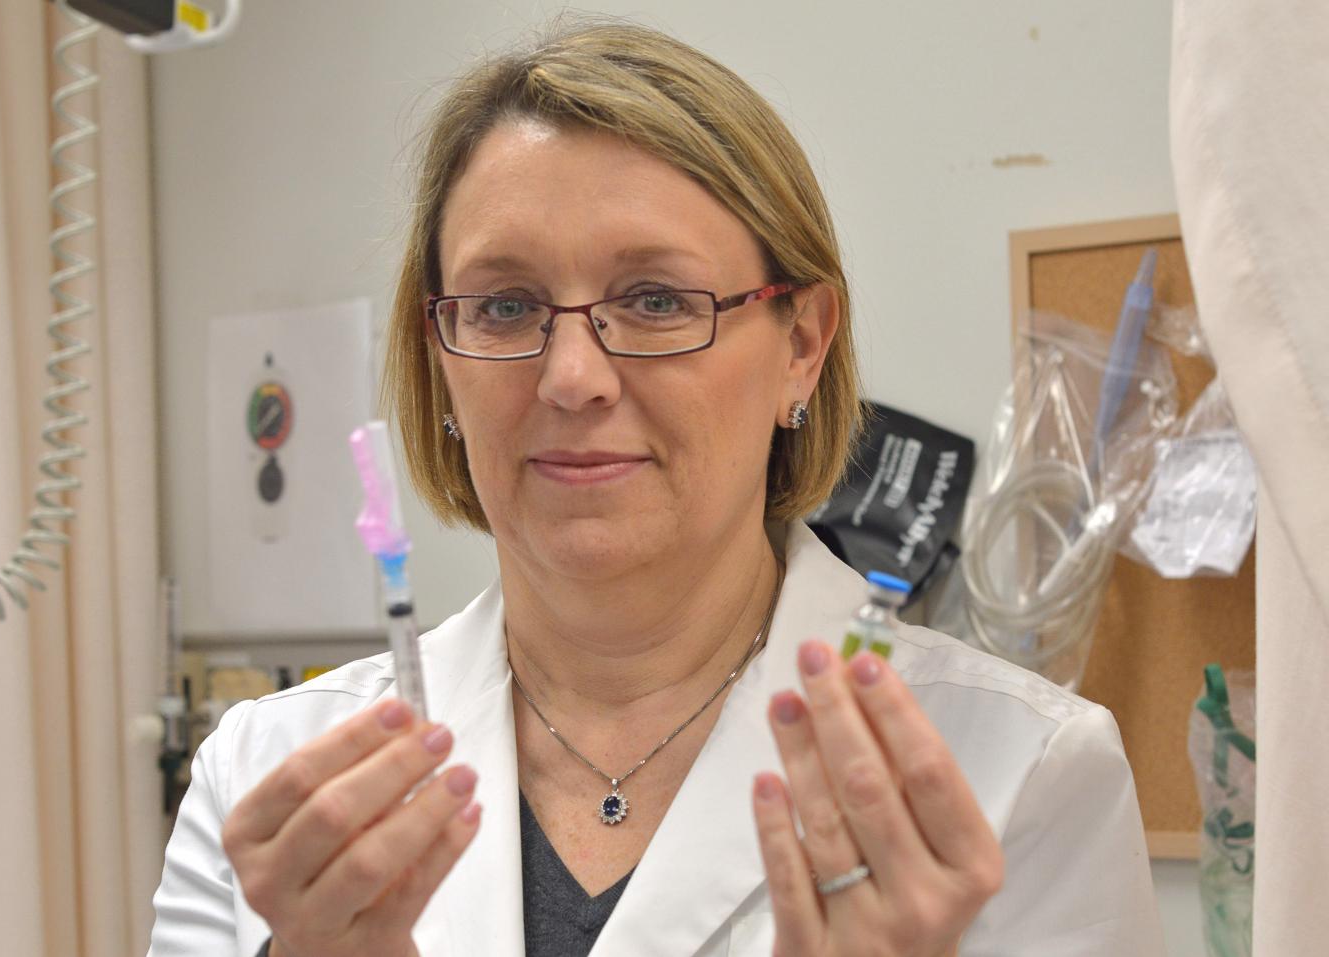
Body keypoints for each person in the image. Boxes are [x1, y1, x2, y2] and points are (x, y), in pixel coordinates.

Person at [150, 19, 1162, 957]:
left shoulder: (1022, 774)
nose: (572, 377)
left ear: (803, 347)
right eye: (504, 305)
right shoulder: (271, 777)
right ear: (441, 359)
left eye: (656, 298)